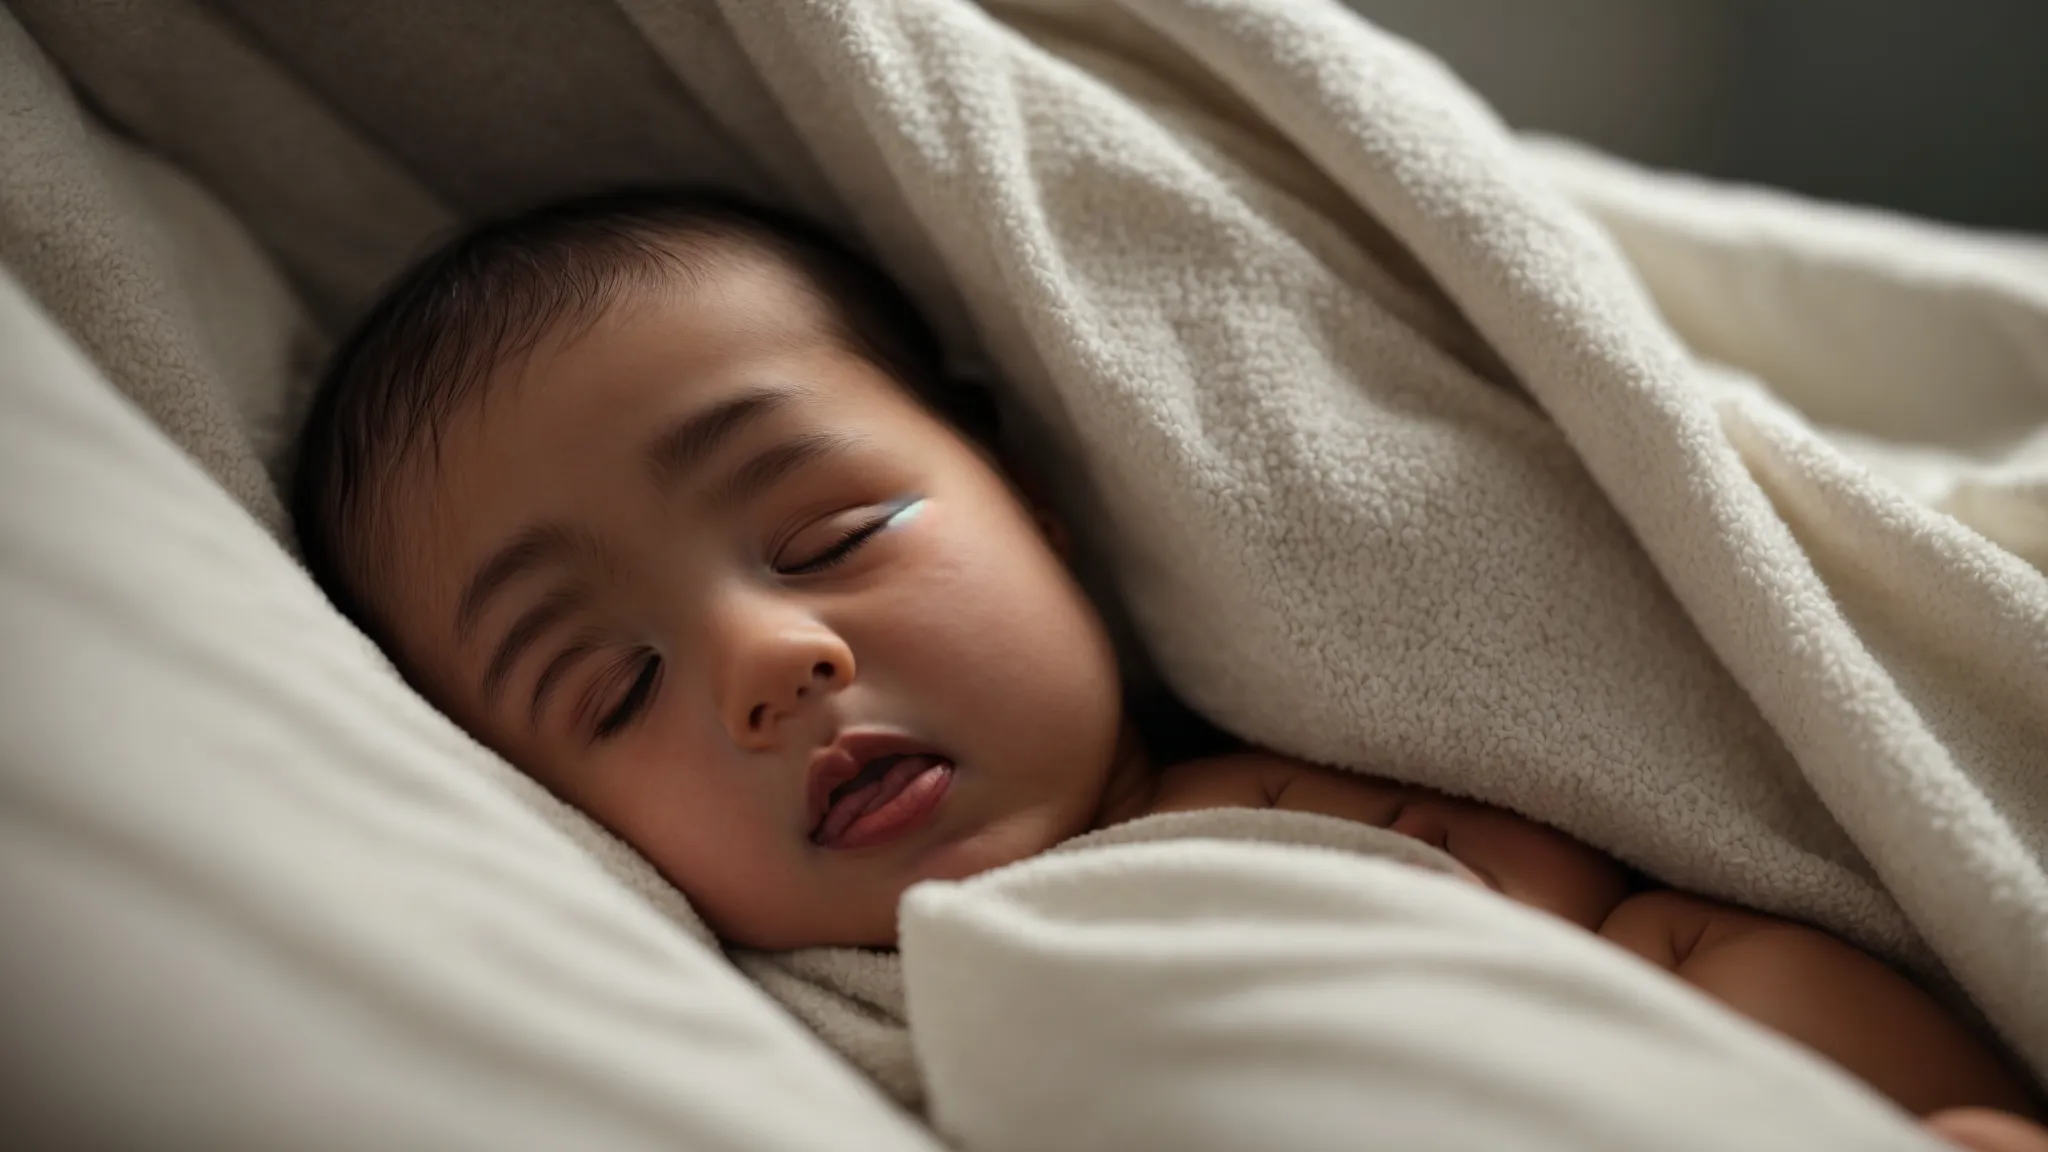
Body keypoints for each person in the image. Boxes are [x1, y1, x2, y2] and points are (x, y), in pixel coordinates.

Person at [291, 189, 2043, 1140]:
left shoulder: (1302, 777)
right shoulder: (787, 1037)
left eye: (828, 536)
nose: (773, 658)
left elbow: (1653, 939)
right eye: (608, 689)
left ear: (1036, 503)